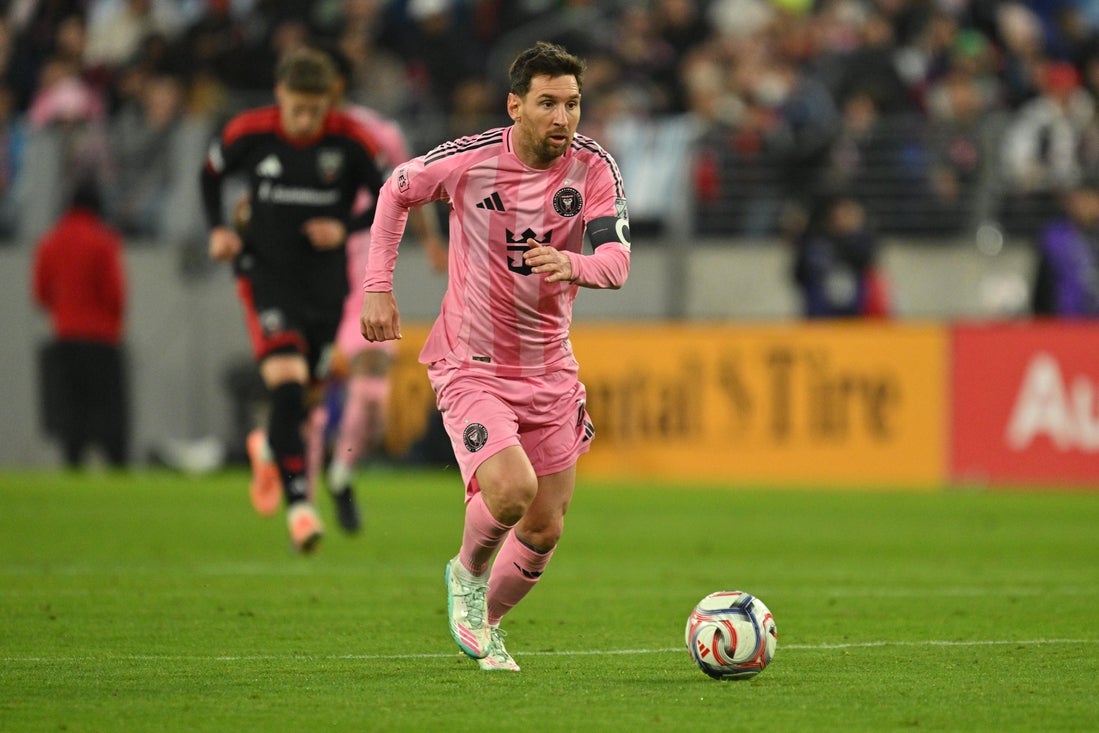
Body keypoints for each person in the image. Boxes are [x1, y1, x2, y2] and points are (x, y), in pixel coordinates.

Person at [359, 41, 632, 672]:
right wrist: (377, 286)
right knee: (510, 492)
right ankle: (466, 573)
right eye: (548, 103)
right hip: (471, 363)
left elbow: (616, 264)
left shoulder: (594, 169)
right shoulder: (470, 161)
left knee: (543, 528)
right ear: (515, 106)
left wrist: (571, 263)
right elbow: (395, 191)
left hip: (550, 369)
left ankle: (487, 625)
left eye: (573, 104)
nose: (563, 118)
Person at [200, 46, 387, 554]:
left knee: (305, 402)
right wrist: (218, 229)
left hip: (325, 285)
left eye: (316, 110)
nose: (306, 120)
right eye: (298, 108)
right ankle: (301, 508)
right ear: (280, 95)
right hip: (265, 276)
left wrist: (345, 226)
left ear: (330, 101)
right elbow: (209, 173)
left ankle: (267, 446)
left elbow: (389, 195)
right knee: (288, 382)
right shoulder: (250, 132)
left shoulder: (351, 140)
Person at [298, 44, 448, 529]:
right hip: (314, 274)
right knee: (311, 387)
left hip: (365, 271)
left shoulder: (377, 133)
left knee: (372, 398)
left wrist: (432, 241)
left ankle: (341, 472)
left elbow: (411, 186)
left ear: (337, 85)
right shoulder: (294, 136)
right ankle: (305, 504)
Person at [32, 178, 129, 469]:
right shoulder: (103, 240)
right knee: (108, 411)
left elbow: (40, 293)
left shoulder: (51, 241)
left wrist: (64, 311)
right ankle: (114, 466)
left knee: (72, 410)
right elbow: (115, 294)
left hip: (66, 337)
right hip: (102, 340)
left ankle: (73, 463)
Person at [1032, 180, 1099, 317]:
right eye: (1080, 200)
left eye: (1090, 200)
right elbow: (1043, 283)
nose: (1085, 206)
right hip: (1065, 319)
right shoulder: (1055, 236)